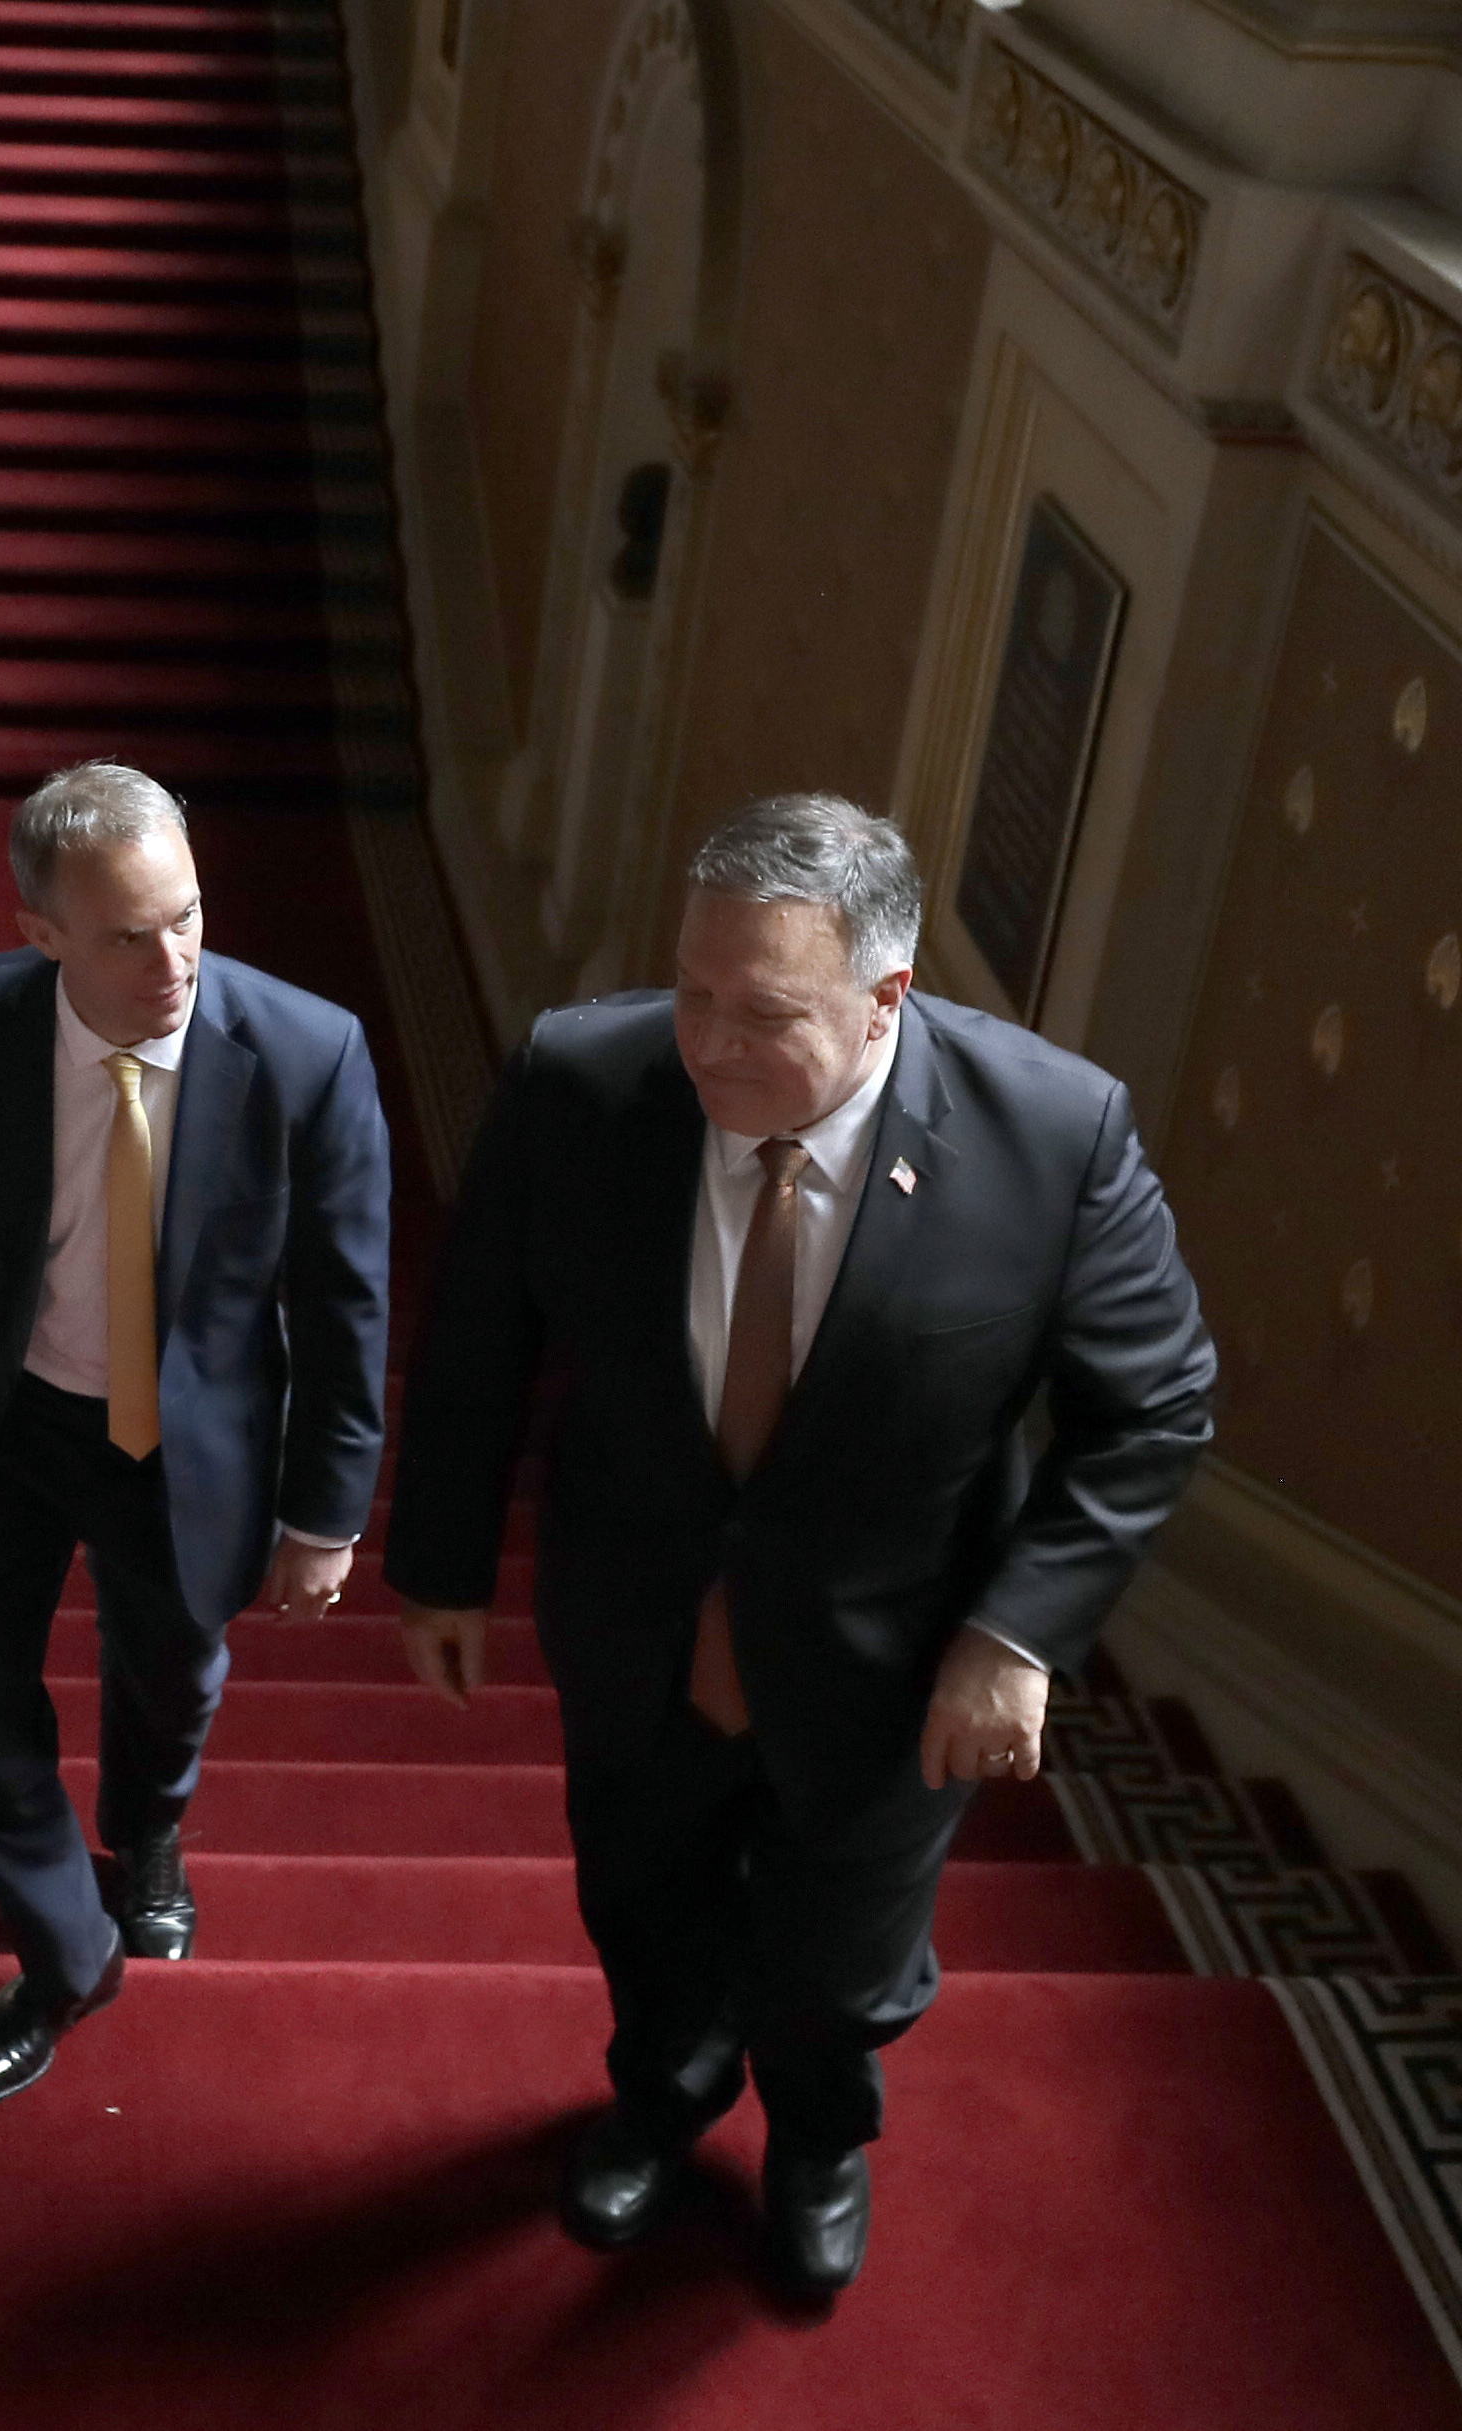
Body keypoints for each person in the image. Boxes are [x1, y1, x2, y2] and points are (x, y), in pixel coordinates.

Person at [384, 793, 1214, 2298]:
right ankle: (661, 2099)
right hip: (635, 1620)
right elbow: (477, 1344)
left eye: (758, 1013)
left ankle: (817, 2139)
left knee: (835, 1971)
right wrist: (439, 1564)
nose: (702, 1041)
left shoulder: (1051, 1137)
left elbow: (1151, 1405)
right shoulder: (582, 1080)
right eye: (690, 990)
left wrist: (1015, 1633)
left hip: (893, 1663)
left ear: (886, 994)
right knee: (640, 1900)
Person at [0, 759, 396, 2112]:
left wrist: (324, 1512)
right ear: (39, 933)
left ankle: (147, 1837)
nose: (171, 958)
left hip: (190, 1441)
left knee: (169, 1678)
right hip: (2, 1417)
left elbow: (344, 1298)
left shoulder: (305, 1050)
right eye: (124, 933)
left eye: (187, 916)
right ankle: (66, 1955)